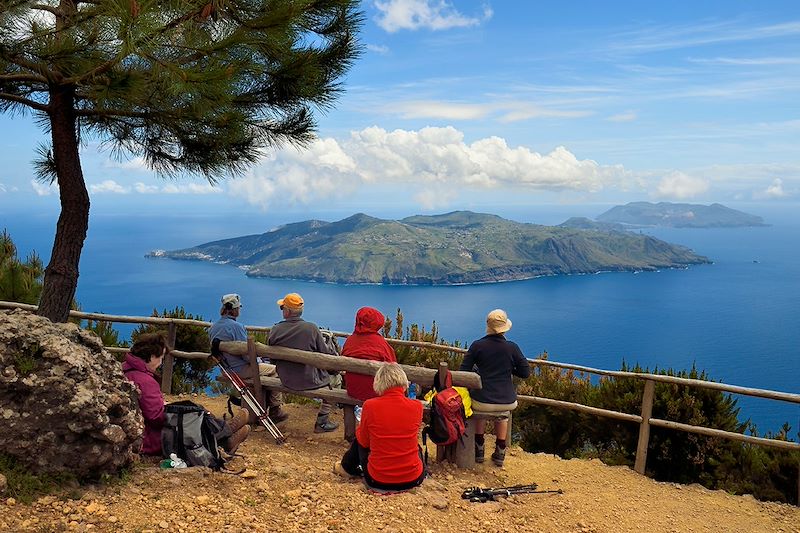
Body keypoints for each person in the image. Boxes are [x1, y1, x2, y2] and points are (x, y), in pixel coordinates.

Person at [122, 332, 250, 456]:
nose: (160, 363)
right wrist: (179, 412)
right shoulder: (145, 381)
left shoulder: (127, 370)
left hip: (145, 432)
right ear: (151, 356)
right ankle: (226, 436)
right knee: (192, 416)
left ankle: (226, 433)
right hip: (153, 438)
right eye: (161, 358)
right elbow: (156, 417)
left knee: (191, 410)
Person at [334, 363, 425, 492]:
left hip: (377, 480)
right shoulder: (417, 406)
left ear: (378, 383)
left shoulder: (370, 406)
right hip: (414, 479)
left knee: (359, 439)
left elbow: (364, 441)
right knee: (415, 444)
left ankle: (347, 468)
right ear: (404, 383)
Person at [458, 309, 530, 467]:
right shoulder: (512, 347)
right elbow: (525, 373)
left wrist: (478, 371)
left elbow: (463, 371)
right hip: (507, 401)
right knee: (503, 415)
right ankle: (500, 450)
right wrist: (511, 369)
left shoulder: (477, 346)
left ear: (488, 327)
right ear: (505, 328)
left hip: (482, 401)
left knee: (479, 405)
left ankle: (479, 447)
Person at [209, 293, 289, 424]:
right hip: (241, 369)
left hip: (226, 370)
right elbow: (246, 355)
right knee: (275, 370)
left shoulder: (213, 327)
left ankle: (262, 406)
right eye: (239, 308)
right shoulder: (237, 327)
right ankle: (275, 409)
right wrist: (259, 361)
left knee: (266, 373)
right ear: (234, 310)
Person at [268, 292, 339, 433]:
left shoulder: (275, 330)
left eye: (282, 308)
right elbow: (325, 356)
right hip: (309, 381)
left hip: (286, 379)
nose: (282, 310)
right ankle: (322, 421)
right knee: (336, 380)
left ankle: (274, 411)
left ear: (287, 312)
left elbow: (272, 359)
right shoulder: (311, 328)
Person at [341, 307, 396, 402]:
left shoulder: (350, 341)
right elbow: (394, 367)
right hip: (376, 392)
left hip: (353, 390)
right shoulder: (381, 344)